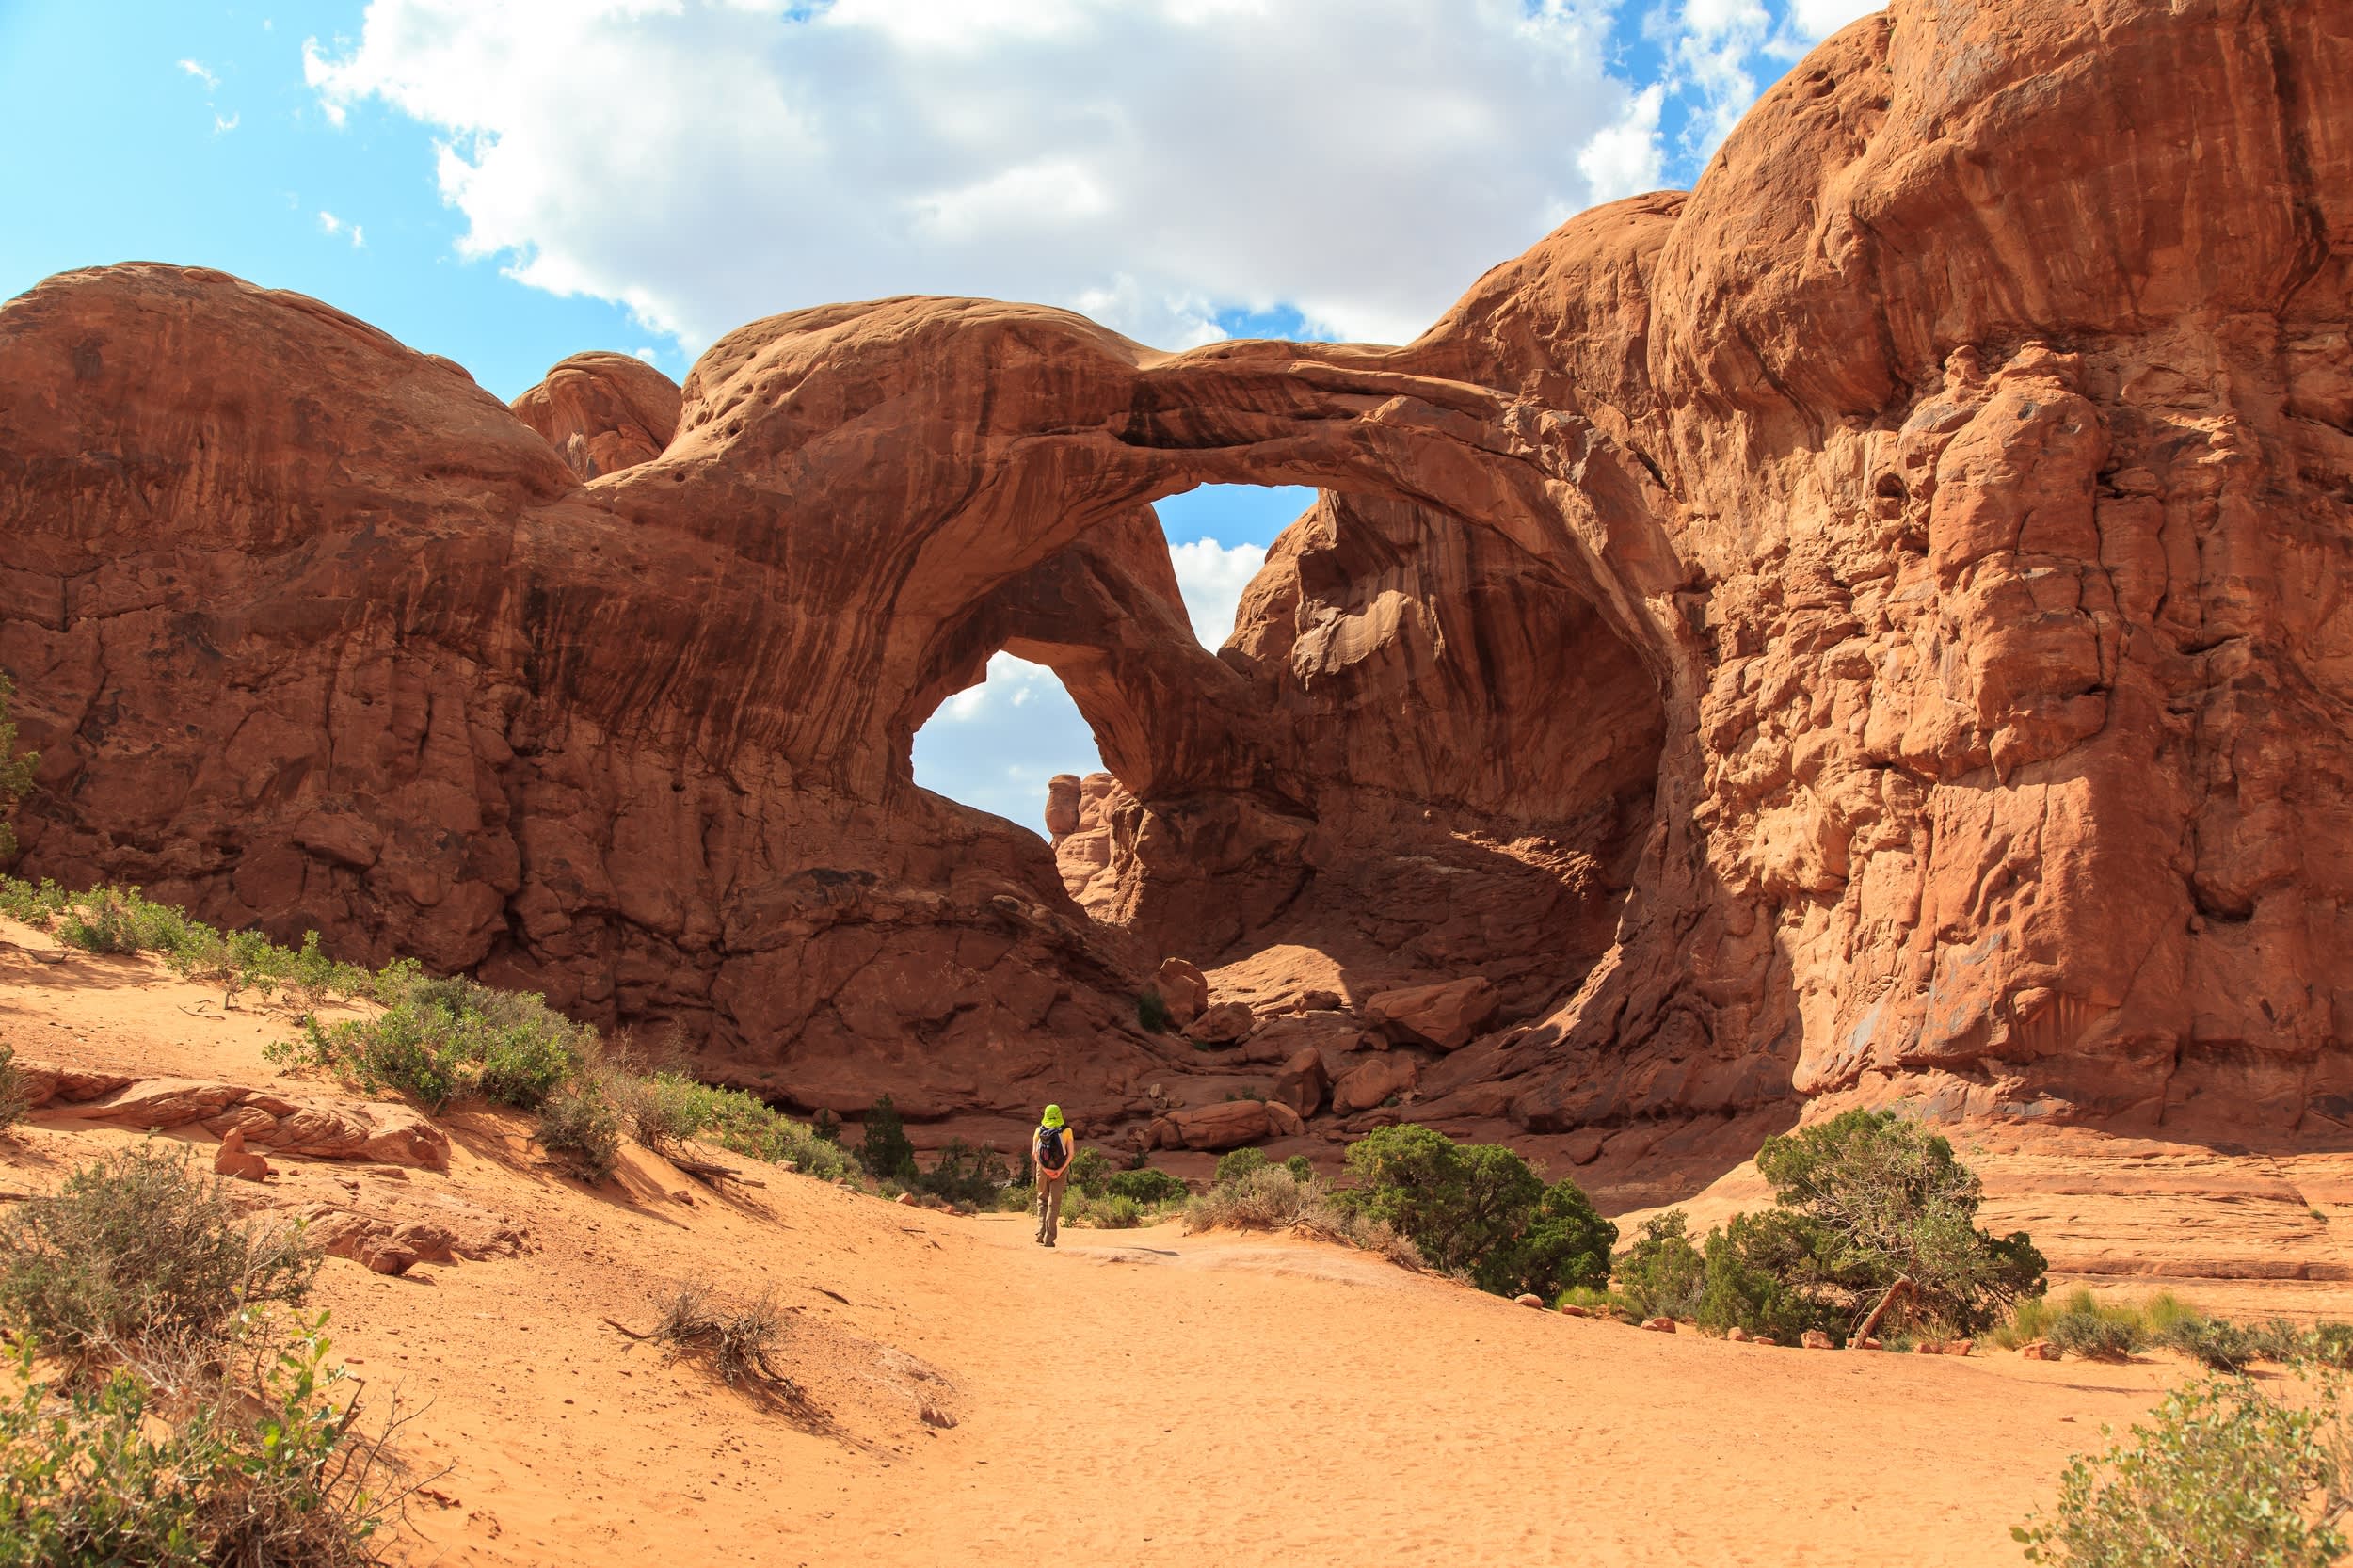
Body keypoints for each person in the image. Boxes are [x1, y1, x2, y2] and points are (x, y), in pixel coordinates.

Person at [1032, 1104, 1073, 1247]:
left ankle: (1039, 1233)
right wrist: (1060, 1170)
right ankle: (1049, 1239)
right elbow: (1071, 1154)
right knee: (1053, 1203)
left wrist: (1044, 1168)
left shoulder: (1039, 1130)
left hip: (1042, 1170)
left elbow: (1034, 1154)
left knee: (1042, 1199)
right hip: (1060, 1171)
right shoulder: (1067, 1130)